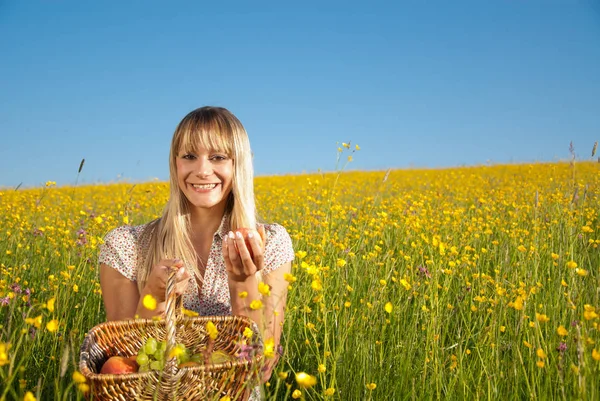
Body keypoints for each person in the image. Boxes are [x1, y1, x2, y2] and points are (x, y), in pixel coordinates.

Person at [98, 106, 294, 394]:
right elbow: (125, 370)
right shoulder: (126, 246)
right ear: (175, 163)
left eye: (218, 157)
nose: (202, 171)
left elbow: (260, 369)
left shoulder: (272, 242)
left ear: (238, 164)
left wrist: (243, 282)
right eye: (189, 156)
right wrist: (154, 296)